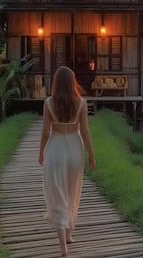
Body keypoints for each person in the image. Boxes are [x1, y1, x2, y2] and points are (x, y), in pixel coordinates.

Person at [39, 66, 96, 257]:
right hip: (74, 148)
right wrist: (91, 155)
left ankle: (63, 246)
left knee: (58, 194)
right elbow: (86, 132)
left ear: (56, 82)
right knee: (72, 191)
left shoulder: (48, 103)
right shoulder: (81, 102)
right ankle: (69, 234)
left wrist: (41, 152)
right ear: (72, 82)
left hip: (56, 148)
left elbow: (46, 132)